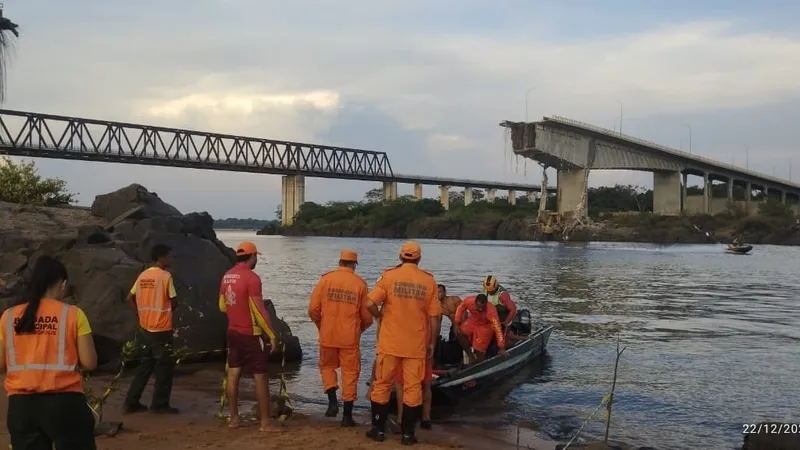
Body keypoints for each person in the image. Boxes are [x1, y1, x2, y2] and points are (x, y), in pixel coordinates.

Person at [1, 255, 98, 450]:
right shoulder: (73, 314)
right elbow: (89, 362)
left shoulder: (9, 316)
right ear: (62, 284)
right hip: (65, 404)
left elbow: (1, 364)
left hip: (21, 406)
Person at [366, 241, 441, 445]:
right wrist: (432, 343)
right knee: (413, 388)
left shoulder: (389, 277)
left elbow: (369, 303)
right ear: (418, 258)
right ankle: (408, 435)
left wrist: (379, 316)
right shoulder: (429, 281)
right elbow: (434, 317)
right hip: (415, 346)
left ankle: (378, 430)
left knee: (381, 385)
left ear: (401, 257)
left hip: (389, 343)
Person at [219, 241, 280, 432]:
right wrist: (272, 335)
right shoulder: (252, 278)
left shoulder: (227, 276)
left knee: (233, 373)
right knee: (260, 377)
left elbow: (222, 305)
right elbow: (259, 310)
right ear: (252, 257)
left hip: (232, 332)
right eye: (256, 257)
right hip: (251, 334)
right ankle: (265, 423)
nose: (256, 260)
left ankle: (234, 419)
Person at [308, 249, 373, 427]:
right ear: (354, 265)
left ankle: (332, 402)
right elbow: (367, 317)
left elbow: (313, 309)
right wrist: (360, 330)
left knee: (327, 367)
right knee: (350, 374)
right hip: (349, 338)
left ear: (339, 262)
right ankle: (347, 417)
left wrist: (321, 326)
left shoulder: (325, 280)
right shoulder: (360, 284)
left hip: (327, 335)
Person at [123, 244, 180, 414]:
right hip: (161, 328)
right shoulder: (165, 276)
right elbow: (174, 300)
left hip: (145, 327)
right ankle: (160, 404)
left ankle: (131, 401)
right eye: (169, 256)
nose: (171, 259)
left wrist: (141, 313)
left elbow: (129, 298)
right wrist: (167, 310)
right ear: (160, 258)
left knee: (145, 366)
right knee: (164, 367)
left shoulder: (143, 276)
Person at [455, 294, 507, 364]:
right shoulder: (469, 301)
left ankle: (480, 363)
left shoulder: (491, 311)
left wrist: (501, 347)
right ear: (475, 302)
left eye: (482, 308)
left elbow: (498, 328)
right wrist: (457, 322)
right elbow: (460, 308)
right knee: (459, 332)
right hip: (473, 320)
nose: (480, 309)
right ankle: (471, 356)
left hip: (485, 326)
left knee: (479, 349)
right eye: (478, 307)